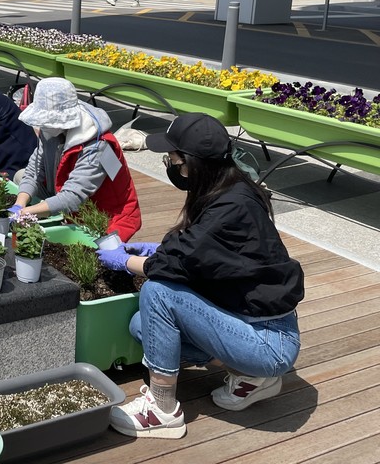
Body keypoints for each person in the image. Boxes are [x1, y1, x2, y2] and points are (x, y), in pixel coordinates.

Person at [97, 113, 303, 439]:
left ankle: (162, 410)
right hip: (247, 321)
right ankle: (251, 376)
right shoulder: (228, 188)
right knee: (142, 327)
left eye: (174, 159)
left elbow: (167, 267)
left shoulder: (231, 206)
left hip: (269, 342)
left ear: (194, 162)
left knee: (158, 292)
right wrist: (155, 248)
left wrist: (122, 261)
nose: (170, 164)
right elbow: (195, 253)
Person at [11, 78, 141, 241]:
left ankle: (55, 220)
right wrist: (19, 204)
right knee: (21, 177)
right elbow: (34, 170)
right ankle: (52, 217)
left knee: (94, 255)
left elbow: (73, 196)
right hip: (68, 194)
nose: (43, 126)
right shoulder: (52, 130)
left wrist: (27, 212)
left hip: (105, 214)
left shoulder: (98, 145)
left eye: (47, 121)